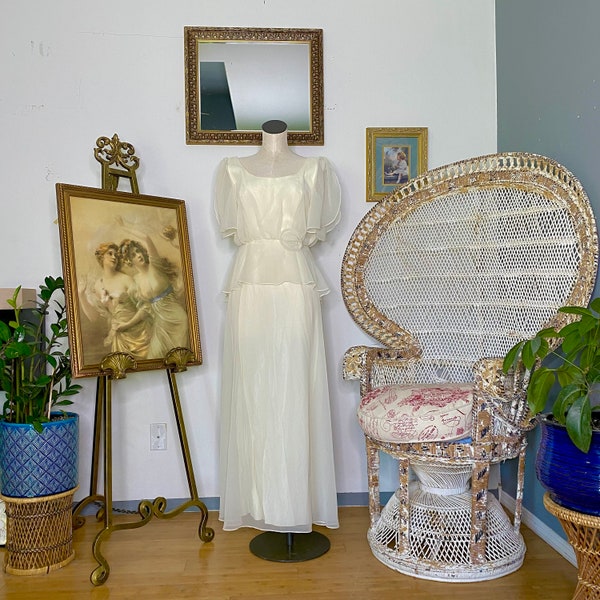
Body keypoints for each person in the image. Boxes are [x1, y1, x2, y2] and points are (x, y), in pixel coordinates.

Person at [215, 119, 341, 534]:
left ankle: (294, 505)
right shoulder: (232, 169)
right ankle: (261, 502)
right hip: (249, 284)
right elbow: (233, 226)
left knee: (295, 384)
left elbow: (316, 227)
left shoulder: (314, 170)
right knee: (252, 389)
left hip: (294, 285)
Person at [118, 232, 189, 359]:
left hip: (177, 319)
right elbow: (144, 310)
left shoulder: (155, 265)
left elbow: (146, 237)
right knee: (154, 357)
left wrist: (124, 225)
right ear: (129, 261)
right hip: (160, 324)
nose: (139, 255)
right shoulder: (136, 282)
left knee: (179, 357)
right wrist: (127, 325)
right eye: (134, 255)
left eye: (138, 251)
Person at [79, 242, 151, 360]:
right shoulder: (97, 285)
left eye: (116, 255)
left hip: (138, 334)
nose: (114, 257)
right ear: (102, 257)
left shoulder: (126, 279)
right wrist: (81, 295)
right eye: (110, 254)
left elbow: (145, 307)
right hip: (119, 336)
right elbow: (94, 317)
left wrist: (127, 324)